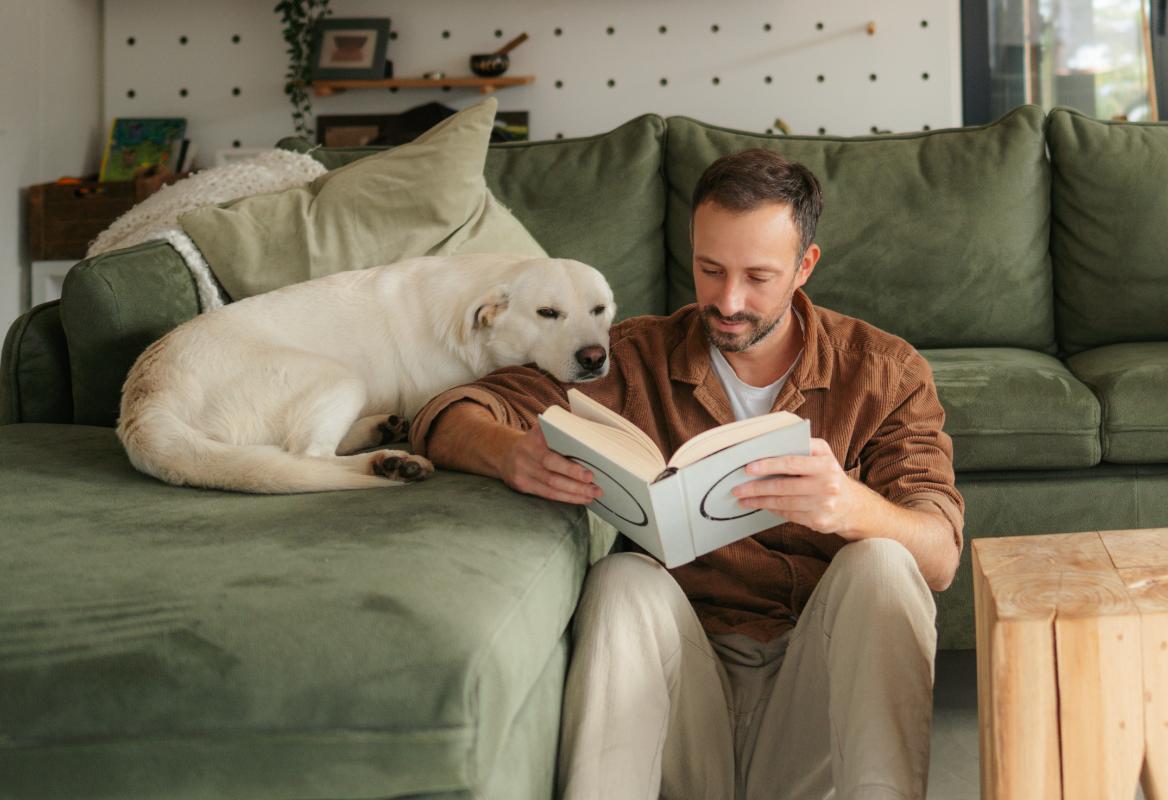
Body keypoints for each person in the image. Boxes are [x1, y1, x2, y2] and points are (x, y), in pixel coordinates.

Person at [408, 148, 965, 800]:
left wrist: (851, 507)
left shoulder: (883, 370)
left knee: (883, 563)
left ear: (804, 267)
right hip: (682, 690)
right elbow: (450, 413)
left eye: (758, 277)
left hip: (813, 698)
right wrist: (510, 453)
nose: (728, 301)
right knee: (621, 580)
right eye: (709, 270)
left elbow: (939, 556)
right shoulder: (633, 357)